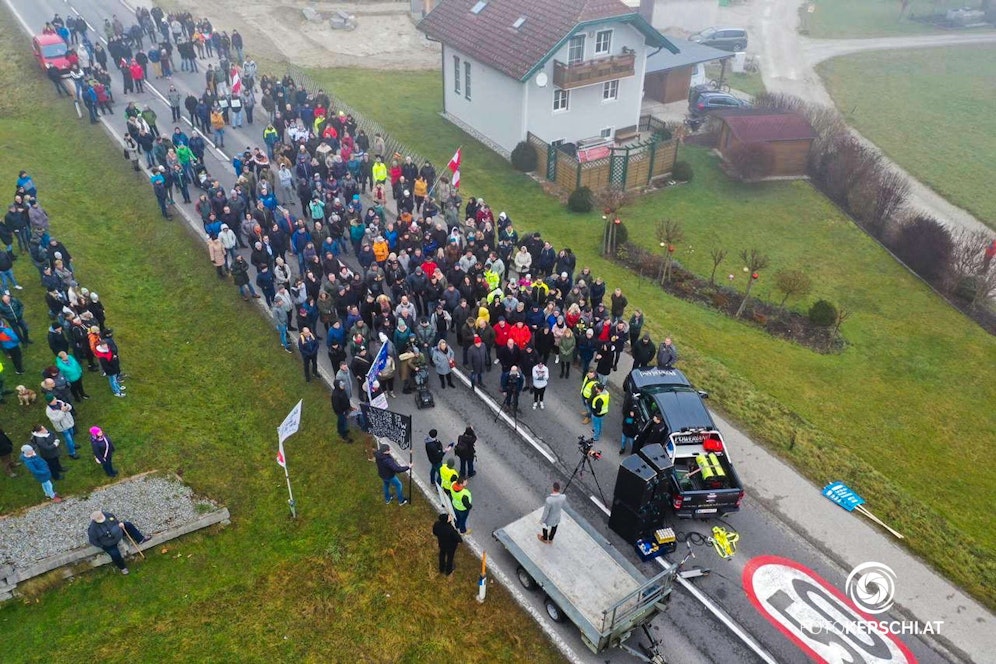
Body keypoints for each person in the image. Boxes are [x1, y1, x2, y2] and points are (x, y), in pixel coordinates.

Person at [87, 510, 150, 575]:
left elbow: (115, 521)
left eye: (101, 515)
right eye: (98, 517)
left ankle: (141, 539)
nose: (101, 517)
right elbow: (93, 541)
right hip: (109, 543)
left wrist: (120, 524)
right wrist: (103, 546)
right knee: (115, 554)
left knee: (128, 525)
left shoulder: (108, 515)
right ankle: (123, 568)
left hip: (118, 533)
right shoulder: (93, 529)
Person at [44, 394, 78, 458]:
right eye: (53, 400)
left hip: (69, 422)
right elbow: (56, 419)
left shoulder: (59, 402)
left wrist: (67, 407)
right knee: (68, 440)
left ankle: (73, 445)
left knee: (72, 434)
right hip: (63, 427)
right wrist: (62, 411)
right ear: (50, 402)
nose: (55, 400)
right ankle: (72, 453)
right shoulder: (49, 411)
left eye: (55, 398)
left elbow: (69, 406)